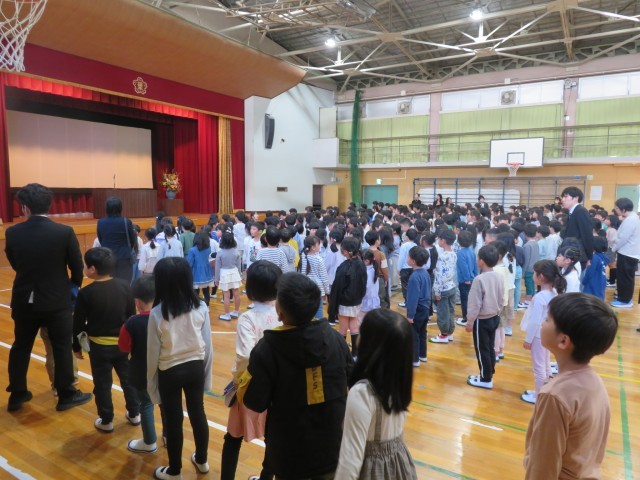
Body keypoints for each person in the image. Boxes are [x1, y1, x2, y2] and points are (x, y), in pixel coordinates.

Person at [243, 272, 353, 480]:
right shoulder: (336, 339)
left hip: (289, 451)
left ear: (280, 312)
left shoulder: (267, 349)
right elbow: (351, 381)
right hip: (332, 444)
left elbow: (255, 402)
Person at [5, 183, 92, 412]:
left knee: (21, 346)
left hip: (24, 299)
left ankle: (17, 394)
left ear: (24, 208)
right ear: (49, 205)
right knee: (62, 347)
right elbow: (76, 267)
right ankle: (66, 395)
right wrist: (72, 287)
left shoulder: (12, 232)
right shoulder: (64, 232)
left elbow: (14, 262)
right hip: (56, 300)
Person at [524, 293, 618, 479]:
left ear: (563, 341)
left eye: (547, 319)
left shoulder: (554, 396)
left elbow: (543, 468)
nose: (542, 323)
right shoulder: (595, 381)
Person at [147, 257, 213, 480]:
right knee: (198, 412)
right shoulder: (201, 307)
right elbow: (207, 345)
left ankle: (175, 471)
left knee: (174, 420)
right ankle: (202, 460)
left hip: (169, 372)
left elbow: (152, 355)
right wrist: (206, 377)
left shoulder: (157, 313)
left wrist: (152, 386)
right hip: (195, 369)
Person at [335, 309, 418, 480]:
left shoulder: (362, 394)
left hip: (372, 471)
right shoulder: (399, 381)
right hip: (400, 466)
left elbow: (350, 461)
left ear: (371, 345)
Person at [220, 261, 282, 480]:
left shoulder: (248, 318)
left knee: (233, 437)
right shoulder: (284, 314)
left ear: (251, 289)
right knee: (273, 438)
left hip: (251, 385)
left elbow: (245, 357)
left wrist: (238, 381)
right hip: (279, 387)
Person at [72, 247, 139, 432]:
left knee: (102, 384)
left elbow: (78, 323)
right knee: (128, 380)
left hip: (99, 348)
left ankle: (107, 420)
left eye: (86, 265)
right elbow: (131, 317)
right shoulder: (125, 286)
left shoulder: (86, 293)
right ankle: (135, 413)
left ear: (92, 269)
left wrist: (76, 346)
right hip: (123, 346)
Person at [118, 275, 165, 453]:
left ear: (137, 301)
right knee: (166, 404)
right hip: (165, 370)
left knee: (145, 404)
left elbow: (123, 347)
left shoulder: (131, 323)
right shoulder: (165, 318)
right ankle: (169, 436)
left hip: (141, 372)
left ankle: (149, 441)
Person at [520, 260, 566, 404]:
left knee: (539, 367)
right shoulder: (553, 293)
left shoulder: (540, 297)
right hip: (547, 335)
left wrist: (528, 339)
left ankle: (539, 397)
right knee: (545, 364)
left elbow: (535, 321)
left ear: (541, 277)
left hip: (538, 336)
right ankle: (544, 392)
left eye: (535, 273)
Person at [465, 244, 504, 389]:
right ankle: (488, 373)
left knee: (482, 350)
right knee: (489, 348)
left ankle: (485, 379)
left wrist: (470, 321)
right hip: (495, 317)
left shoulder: (479, 279)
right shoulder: (499, 276)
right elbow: (502, 298)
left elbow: (474, 303)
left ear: (481, 261)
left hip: (482, 320)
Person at [328, 237, 367, 358]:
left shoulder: (343, 267)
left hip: (344, 302)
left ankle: (341, 354)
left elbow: (337, 288)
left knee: (342, 328)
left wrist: (332, 305)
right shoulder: (361, 264)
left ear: (345, 251)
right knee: (354, 326)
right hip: (357, 301)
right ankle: (355, 353)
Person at [97, 196, 138, 282]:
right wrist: (126, 249)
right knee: (124, 284)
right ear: (120, 208)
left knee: (109, 284)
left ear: (107, 208)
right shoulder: (126, 221)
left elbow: (101, 239)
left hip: (107, 258)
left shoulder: (100, 222)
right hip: (124, 257)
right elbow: (132, 239)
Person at [611, 197, 640, 308]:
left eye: (617, 208)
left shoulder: (631, 220)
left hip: (628, 254)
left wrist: (613, 249)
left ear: (623, 209)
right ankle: (623, 298)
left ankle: (625, 300)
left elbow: (623, 238)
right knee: (624, 277)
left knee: (625, 278)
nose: (615, 210)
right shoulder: (631, 218)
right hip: (628, 253)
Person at [430, 229, 457, 344]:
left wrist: (437, 291)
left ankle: (443, 335)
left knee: (443, 313)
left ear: (443, 240)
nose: (438, 241)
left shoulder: (442, 256)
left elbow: (439, 276)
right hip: (452, 286)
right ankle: (449, 333)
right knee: (450, 311)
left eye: (439, 239)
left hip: (443, 289)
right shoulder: (454, 254)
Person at [406, 246, 431, 367]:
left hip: (417, 309)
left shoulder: (414, 277)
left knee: (414, 334)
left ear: (413, 261)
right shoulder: (425, 273)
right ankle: (422, 355)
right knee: (422, 332)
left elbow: (413, 297)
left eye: (408, 256)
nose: (407, 258)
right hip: (425, 307)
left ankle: (414, 359)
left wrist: (410, 315)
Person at [559, 186, 594, 270]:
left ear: (575, 198)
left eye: (566, 197)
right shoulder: (572, 212)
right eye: (562, 197)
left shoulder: (581, 211)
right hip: (571, 254)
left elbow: (587, 235)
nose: (563, 200)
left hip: (578, 255)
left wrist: (589, 256)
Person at [300, 235, 330, 320]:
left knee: (307, 310)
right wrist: (327, 291)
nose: (320, 246)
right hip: (317, 289)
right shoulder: (319, 260)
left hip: (305, 287)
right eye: (318, 244)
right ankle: (318, 326)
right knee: (318, 310)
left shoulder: (303, 255)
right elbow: (324, 277)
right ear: (313, 247)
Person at [215, 231, 243, 321]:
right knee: (236, 293)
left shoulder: (220, 252)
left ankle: (227, 315)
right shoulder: (236, 252)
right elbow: (239, 265)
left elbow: (217, 267)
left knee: (226, 295)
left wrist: (216, 279)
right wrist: (240, 275)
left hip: (224, 273)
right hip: (234, 272)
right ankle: (236, 312)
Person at [455, 230, 478, 327]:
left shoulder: (460, 253)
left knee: (465, 300)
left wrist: (467, 278)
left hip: (465, 281)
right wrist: (475, 276)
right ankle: (470, 316)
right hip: (472, 279)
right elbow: (475, 266)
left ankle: (466, 318)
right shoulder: (472, 252)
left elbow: (464, 267)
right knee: (470, 299)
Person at [187, 232, 215, 306]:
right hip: (206, 272)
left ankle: (196, 306)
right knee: (206, 291)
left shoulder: (192, 250)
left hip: (196, 273)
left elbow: (189, 263)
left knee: (195, 291)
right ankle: (207, 306)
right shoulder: (208, 248)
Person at [358, 250, 382, 328]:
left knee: (361, 324)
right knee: (372, 324)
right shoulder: (374, 269)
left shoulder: (366, 272)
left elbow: (365, 288)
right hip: (374, 301)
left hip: (365, 301)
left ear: (367, 261)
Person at [582, 236, 609, 300]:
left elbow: (589, 272)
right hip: (601, 282)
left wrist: (584, 281)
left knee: (589, 301)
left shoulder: (594, 258)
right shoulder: (602, 257)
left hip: (593, 284)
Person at [521, 223, 539, 307]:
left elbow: (526, 260)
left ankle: (528, 301)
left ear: (525, 234)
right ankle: (532, 300)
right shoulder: (536, 243)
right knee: (532, 284)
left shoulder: (527, 245)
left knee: (528, 284)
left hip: (528, 269)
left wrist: (523, 272)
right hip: (535, 268)